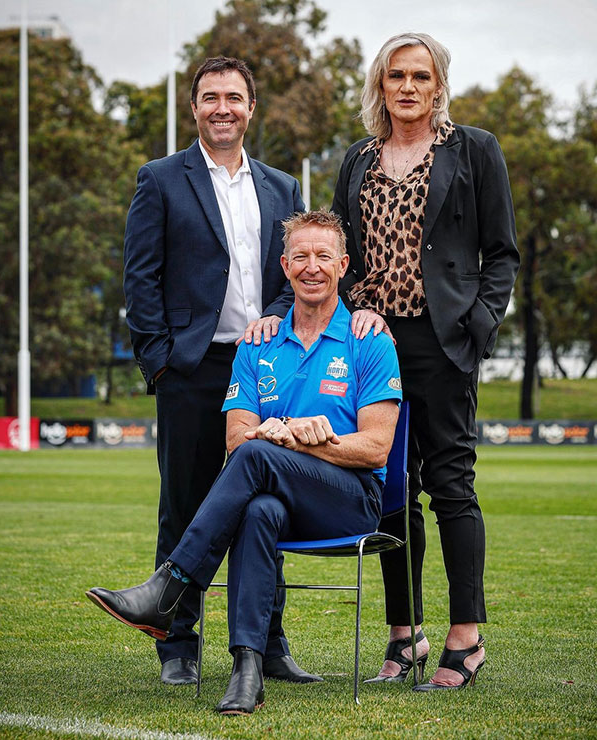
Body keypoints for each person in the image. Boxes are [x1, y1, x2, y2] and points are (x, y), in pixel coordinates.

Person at [87, 210, 402, 714]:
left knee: (258, 457)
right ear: (284, 265)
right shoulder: (258, 344)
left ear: (343, 265)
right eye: (300, 256)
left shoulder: (370, 338)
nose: (312, 267)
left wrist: (302, 440)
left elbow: (377, 449)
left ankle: (169, 588)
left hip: (350, 500)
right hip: (279, 495)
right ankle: (247, 668)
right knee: (258, 511)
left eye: (324, 256)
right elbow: (237, 439)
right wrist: (269, 435)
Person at [331, 33, 519, 691]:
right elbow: (342, 254)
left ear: (438, 85)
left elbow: (502, 254)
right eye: (395, 76)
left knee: (451, 486)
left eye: (420, 75)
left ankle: (465, 639)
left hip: (443, 344)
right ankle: (403, 634)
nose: (407, 87)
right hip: (373, 349)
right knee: (388, 490)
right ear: (379, 87)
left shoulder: (474, 150)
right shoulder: (356, 159)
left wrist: (478, 322)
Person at [123, 55, 317, 686]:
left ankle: (270, 642)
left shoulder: (282, 188)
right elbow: (141, 278)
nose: (223, 108)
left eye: (235, 97)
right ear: (196, 108)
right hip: (193, 369)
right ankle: (177, 644)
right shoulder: (160, 180)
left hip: (265, 370)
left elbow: (295, 279)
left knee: (265, 506)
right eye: (211, 98)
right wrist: (161, 363)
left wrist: (281, 322)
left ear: (251, 107)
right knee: (184, 504)